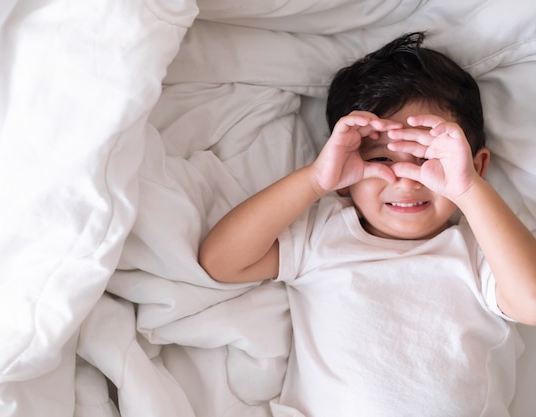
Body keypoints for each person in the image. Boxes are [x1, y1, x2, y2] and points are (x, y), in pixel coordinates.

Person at [198, 32, 536, 416]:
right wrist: (315, 180)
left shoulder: (483, 252)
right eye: (382, 161)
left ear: (476, 167)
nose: (407, 181)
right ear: (346, 173)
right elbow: (220, 261)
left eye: (428, 160)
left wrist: (469, 190)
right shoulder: (321, 234)